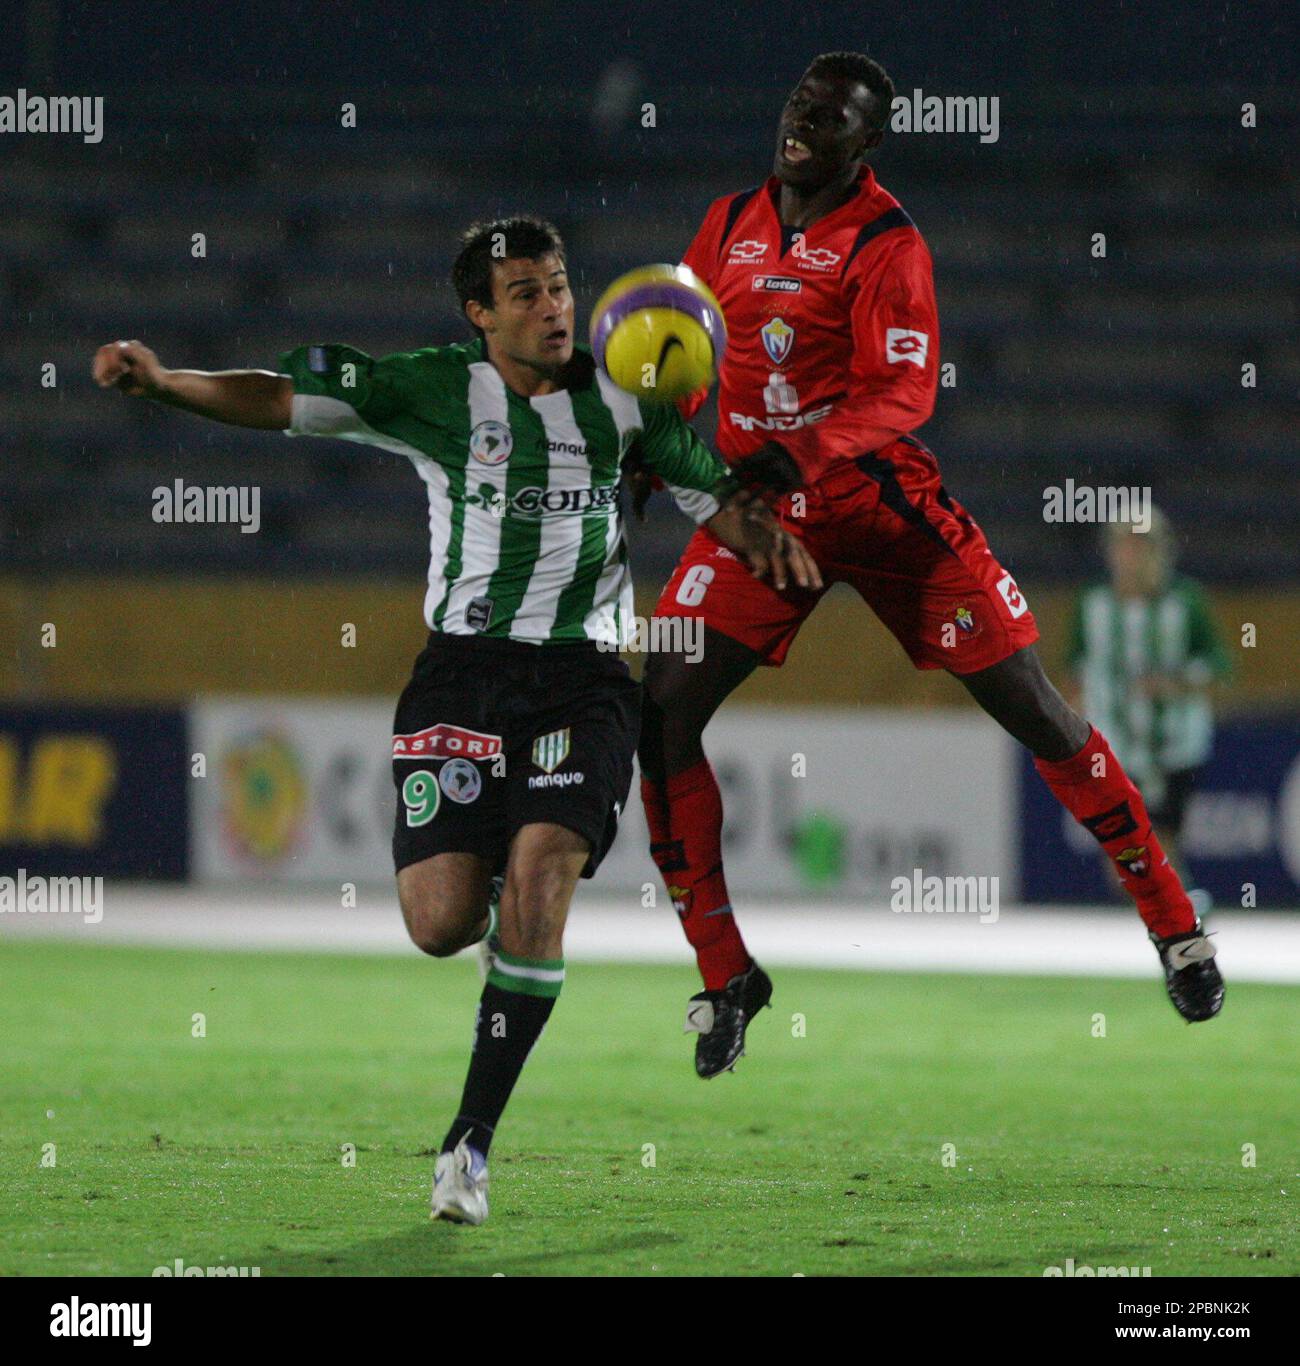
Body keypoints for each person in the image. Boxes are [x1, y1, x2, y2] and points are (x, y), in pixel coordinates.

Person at [92, 215, 817, 1225]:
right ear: (478, 314)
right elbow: (284, 397)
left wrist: (763, 538)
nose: (554, 307)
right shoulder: (432, 390)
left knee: (542, 871)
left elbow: (712, 494)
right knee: (441, 922)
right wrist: (165, 380)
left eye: (560, 285)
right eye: (525, 292)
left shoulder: (625, 391)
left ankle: (467, 1145)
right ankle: (504, 958)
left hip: (586, 675)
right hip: (462, 676)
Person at [634, 51, 1225, 1079]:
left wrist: (798, 450)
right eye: (798, 104)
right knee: (662, 708)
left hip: (880, 509)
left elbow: (899, 397)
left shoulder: (888, 242)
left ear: (866, 144)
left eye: (830, 117)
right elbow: (690, 354)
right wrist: (660, 441)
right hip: (761, 515)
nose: (803, 124)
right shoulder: (725, 223)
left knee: (1035, 706)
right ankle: (725, 975)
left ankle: (1173, 923)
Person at [1066, 510, 1232, 885]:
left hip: (1175, 745)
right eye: (1123, 547)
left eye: (1140, 547)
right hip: (1113, 746)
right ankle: (1175, 918)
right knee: (1123, 862)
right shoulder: (1092, 604)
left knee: (1159, 844)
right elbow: (1075, 671)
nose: (1131, 557)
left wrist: (1175, 685)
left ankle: (1179, 923)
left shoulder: (1186, 603)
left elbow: (1220, 671)